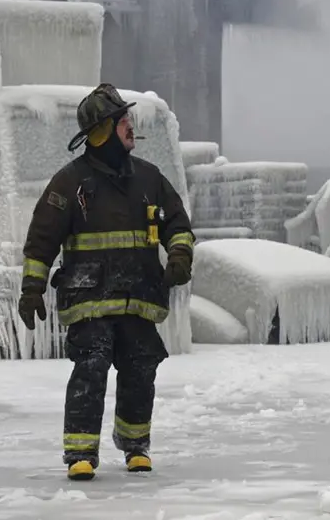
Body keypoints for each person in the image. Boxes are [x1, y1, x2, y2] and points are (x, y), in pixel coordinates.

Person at [17, 83, 194, 481]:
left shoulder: (150, 179)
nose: (131, 127)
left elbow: (178, 225)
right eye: (123, 121)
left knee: (140, 368)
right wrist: (32, 287)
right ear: (101, 132)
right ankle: (80, 453)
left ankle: (135, 446)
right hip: (89, 298)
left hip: (138, 297)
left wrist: (180, 255)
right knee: (91, 366)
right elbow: (41, 240)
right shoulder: (68, 184)